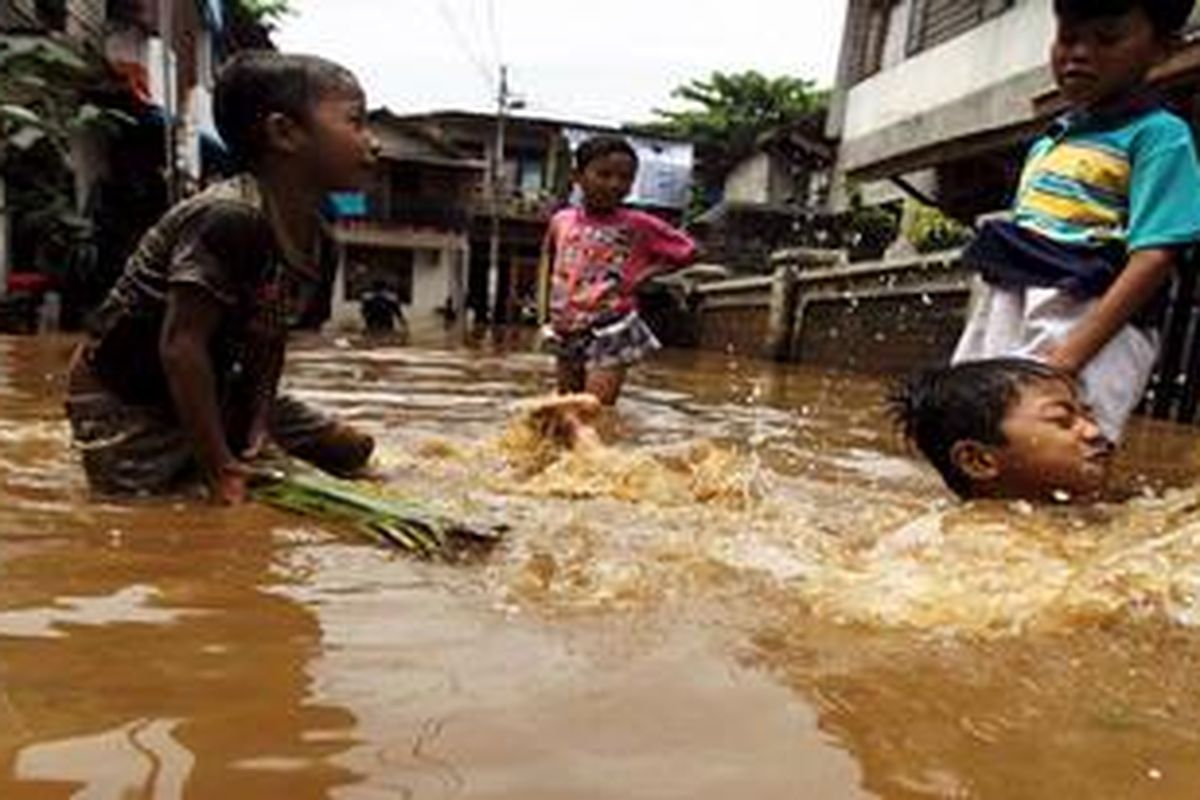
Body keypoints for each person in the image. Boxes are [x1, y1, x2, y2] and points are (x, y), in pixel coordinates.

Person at [65, 51, 380, 505]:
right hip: (128, 397)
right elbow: (181, 345)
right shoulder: (229, 217)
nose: (374, 143)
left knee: (353, 452)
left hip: (216, 389)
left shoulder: (319, 241)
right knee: (178, 512)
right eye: (357, 122)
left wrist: (254, 438)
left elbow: (269, 342)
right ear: (284, 133)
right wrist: (221, 468)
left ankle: (226, 442)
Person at [952, 0, 1200, 444]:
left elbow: (1155, 256)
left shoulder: (1160, 136)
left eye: (1106, 39)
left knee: (1067, 451)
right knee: (976, 435)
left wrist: (1069, 358)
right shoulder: (1053, 138)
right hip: (1012, 307)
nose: (1078, 53)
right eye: (1068, 37)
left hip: (1091, 321)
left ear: (1162, 49)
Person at [537, 135, 698, 406]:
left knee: (593, 410)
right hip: (568, 327)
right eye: (604, 174)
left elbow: (690, 251)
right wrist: (544, 316)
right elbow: (548, 256)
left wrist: (645, 275)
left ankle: (599, 448)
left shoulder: (639, 224)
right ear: (578, 176)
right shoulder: (561, 220)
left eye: (625, 178)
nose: (615, 184)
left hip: (613, 326)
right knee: (566, 412)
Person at [889, 358, 1114, 503]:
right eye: (1062, 420)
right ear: (978, 461)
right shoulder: (987, 541)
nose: (1094, 432)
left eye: (1088, 416)